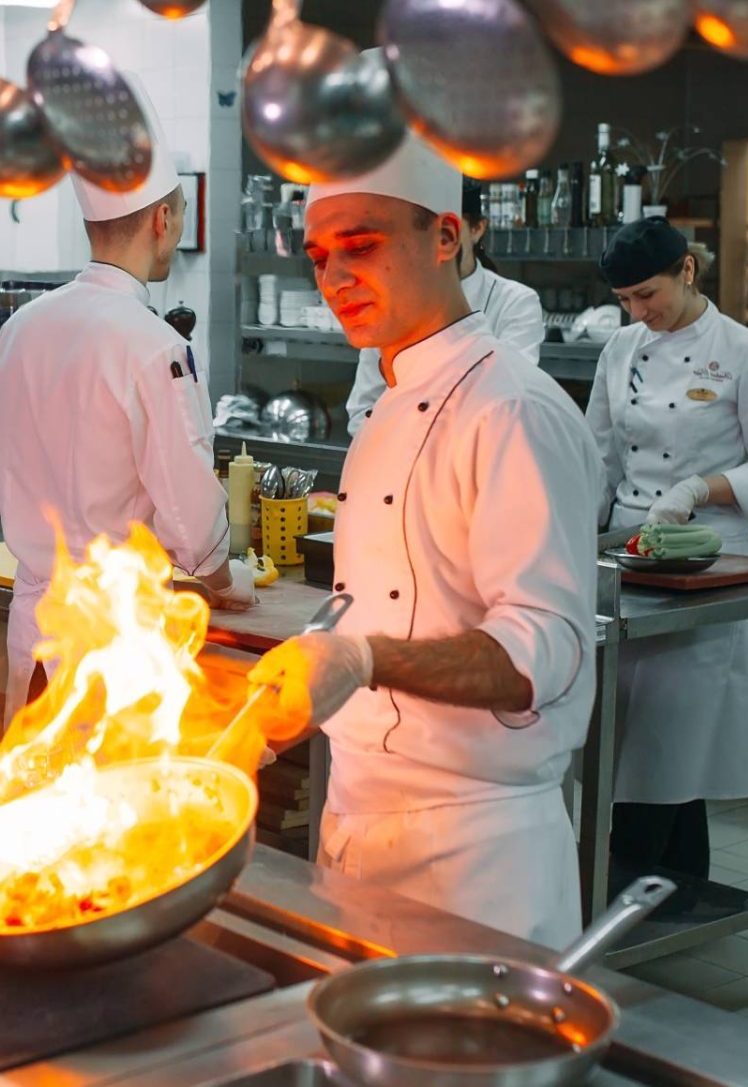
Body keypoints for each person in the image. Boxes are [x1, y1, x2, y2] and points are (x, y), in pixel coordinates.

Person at [244, 134, 602, 947]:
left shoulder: (512, 409)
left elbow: (538, 652)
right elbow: (372, 604)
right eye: (319, 256)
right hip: (359, 820)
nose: (335, 279)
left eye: (361, 248)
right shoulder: (385, 406)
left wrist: (362, 661)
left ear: (447, 238)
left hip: (475, 854)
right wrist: (289, 692)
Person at [0, 99, 256, 722]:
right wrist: (228, 582)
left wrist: (49, 519)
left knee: (39, 805)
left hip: (36, 632)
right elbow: (194, 525)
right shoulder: (156, 345)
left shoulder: (20, 328)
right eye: (180, 218)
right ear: (163, 219)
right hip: (114, 645)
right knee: (116, 812)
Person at [586, 217, 748, 882]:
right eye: (625, 299)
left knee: (673, 733)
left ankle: (630, 881)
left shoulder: (747, 353)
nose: (638, 312)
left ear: (687, 269)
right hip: (628, 556)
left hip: (709, 560)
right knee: (633, 736)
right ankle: (676, 886)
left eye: (647, 294)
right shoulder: (619, 349)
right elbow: (599, 454)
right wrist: (575, 538)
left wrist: (697, 489)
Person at [345, 178, 544, 435]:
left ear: (477, 228)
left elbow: (508, 404)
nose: (437, 242)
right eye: (425, 229)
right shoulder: (390, 306)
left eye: (449, 228)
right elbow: (362, 413)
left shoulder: (515, 303)